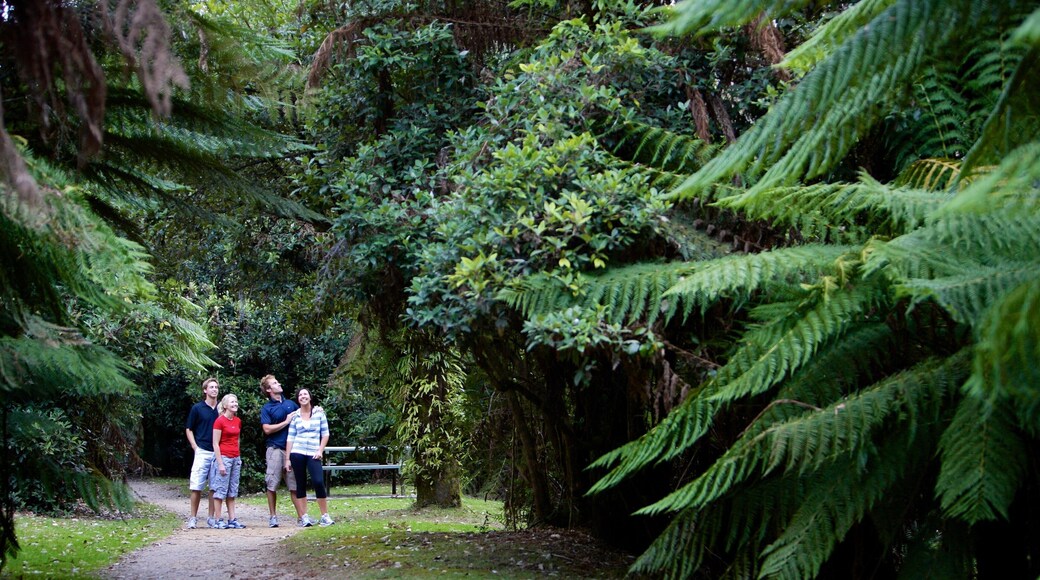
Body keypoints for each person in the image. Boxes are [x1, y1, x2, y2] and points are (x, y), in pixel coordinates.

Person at [284, 388, 334, 527]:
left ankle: (325, 515)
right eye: (300, 395)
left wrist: (320, 450)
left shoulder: (319, 413)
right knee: (300, 484)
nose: (303, 396)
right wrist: (287, 458)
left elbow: (325, 434)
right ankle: (304, 517)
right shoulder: (295, 416)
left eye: (305, 394)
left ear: (310, 397)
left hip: (313, 452)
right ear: (298, 399)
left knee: (318, 481)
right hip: (297, 452)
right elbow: (290, 437)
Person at [260, 374, 298, 528]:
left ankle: (302, 516)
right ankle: (273, 516)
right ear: (269, 389)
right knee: (271, 483)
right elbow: (267, 429)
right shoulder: (267, 408)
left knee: (294, 484)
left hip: (292, 450)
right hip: (275, 449)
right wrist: (286, 422)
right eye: (275, 383)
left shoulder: (291, 404)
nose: (279, 384)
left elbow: (304, 416)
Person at [184, 377, 219, 529]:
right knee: (196, 485)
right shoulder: (197, 408)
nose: (214, 390)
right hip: (202, 450)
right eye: (211, 387)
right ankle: (193, 517)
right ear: (205, 390)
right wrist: (195, 447)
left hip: (217, 452)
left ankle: (211, 517)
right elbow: (189, 428)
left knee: (214, 487)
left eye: (216, 387)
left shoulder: (221, 409)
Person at [211, 393, 245, 529]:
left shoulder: (237, 421)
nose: (235, 404)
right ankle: (218, 519)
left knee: (232, 490)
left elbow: (237, 439)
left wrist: (238, 455)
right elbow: (215, 443)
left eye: (236, 402)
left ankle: (232, 519)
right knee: (220, 490)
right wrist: (220, 463)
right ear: (225, 405)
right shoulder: (219, 421)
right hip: (224, 457)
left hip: (235, 458)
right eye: (232, 402)